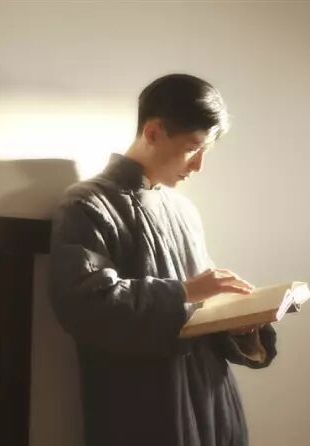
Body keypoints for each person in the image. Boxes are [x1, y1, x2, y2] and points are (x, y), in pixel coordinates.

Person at [48, 73, 277, 446]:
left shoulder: (185, 211)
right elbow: (84, 305)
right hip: (146, 407)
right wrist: (185, 292)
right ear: (153, 132)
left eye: (205, 151)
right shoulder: (87, 204)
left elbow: (201, 310)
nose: (198, 166)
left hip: (213, 403)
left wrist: (239, 322)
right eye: (192, 148)